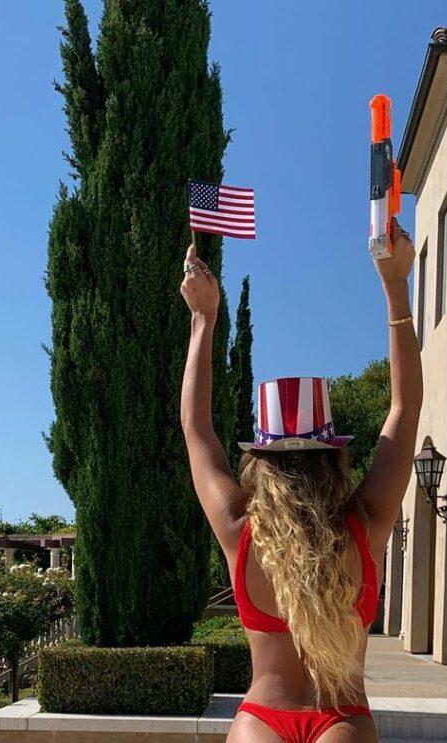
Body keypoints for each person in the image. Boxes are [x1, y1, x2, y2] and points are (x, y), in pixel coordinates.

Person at [180, 218, 422, 743]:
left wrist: (204, 319)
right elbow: (404, 408)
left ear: (261, 463)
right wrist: (395, 285)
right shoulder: (365, 522)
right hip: (342, 718)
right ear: (332, 457)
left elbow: (197, 431)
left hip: (261, 719)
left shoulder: (239, 527)